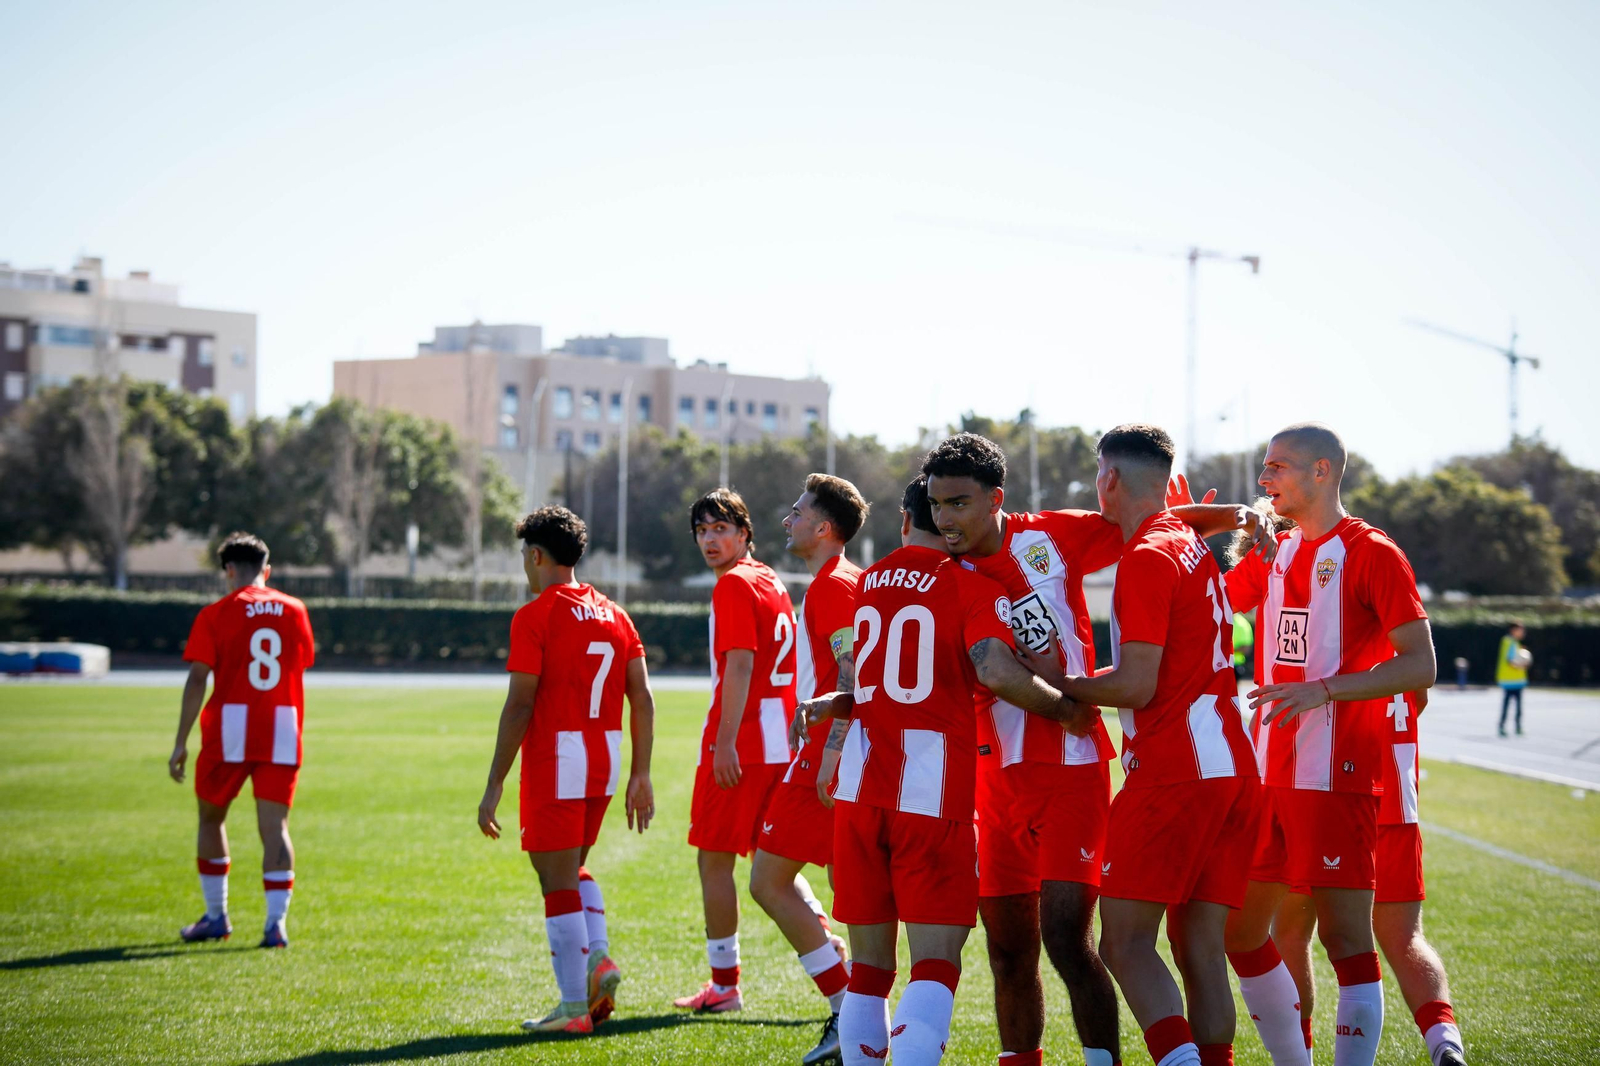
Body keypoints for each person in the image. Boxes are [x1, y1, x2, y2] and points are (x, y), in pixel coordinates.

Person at [922, 432, 1271, 1066]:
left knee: (1071, 939)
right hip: (994, 776)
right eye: (936, 504)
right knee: (1008, 950)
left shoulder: (1053, 536)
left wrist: (1228, 516)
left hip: (1074, 766)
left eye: (959, 503)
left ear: (996, 499)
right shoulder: (944, 572)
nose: (945, 518)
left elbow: (1145, 520)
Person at [793, 475, 1099, 1066]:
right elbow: (996, 670)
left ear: (906, 522)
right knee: (933, 964)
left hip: (861, 788)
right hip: (930, 795)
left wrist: (835, 710)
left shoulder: (868, 581)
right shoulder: (969, 584)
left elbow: (871, 675)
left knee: (870, 970)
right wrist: (1068, 711)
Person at [1037, 425, 1259, 1066]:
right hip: (1232, 761)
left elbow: (1136, 684)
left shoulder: (1146, 556)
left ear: (1108, 479)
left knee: (1125, 941)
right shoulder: (1185, 541)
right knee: (1199, 948)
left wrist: (1054, 679)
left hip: (1175, 768)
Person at [1218, 422, 1437, 1066]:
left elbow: (1420, 664)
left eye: (1278, 466)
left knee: (1346, 941)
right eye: (1264, 466)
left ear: (1323, 471)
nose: (1265, 478)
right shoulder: (1277, 549)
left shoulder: (1372, 551)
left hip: (1336, 772)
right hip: (1269, 769)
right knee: (1240, 931)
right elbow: (1212, 602)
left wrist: (1325, 690)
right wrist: (1191, 527)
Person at [477, 505, 656, 1034]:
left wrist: (494, 783)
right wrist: (641, 773)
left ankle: (575, 1005)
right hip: (604, 758)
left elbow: (519, 706)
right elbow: (642, 697)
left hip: (558, 760)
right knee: (572, 869)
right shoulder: (615, 614)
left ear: (536, 556)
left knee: (555, 882)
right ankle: (596, 961)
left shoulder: (534, 616)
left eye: (524, 556)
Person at [1269, 687, 1468, 1066]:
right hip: (1397, 798)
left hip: (1333, 788)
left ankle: (1297, 1057)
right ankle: (1445, 1041)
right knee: (1406, 937)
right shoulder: (1408, 654)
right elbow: (1419, 697)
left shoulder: (1342, 649)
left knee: (1292, 931)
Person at [749, 474, 869, 1064]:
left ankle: (849, 1009)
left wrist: (831, 751)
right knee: (834, 886)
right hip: (834, 748)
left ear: (824, 528)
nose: (787, 521)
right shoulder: (842, 580)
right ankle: (857, 1013)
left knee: (768, 881)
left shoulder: (833, 585)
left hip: (828, 751)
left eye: (797, 512)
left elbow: (852, 671)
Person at [674, 488, 799, 1013]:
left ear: (744, 533)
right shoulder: (770, 578)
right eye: (702, 531)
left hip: (743, 742)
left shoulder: (733, 584)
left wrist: (724, 742)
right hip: (777, 740)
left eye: (720, 528)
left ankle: (725, 985)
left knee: (714, 860)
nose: (710, 539)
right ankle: (826, 939)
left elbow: (741, 665)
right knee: (776, 862)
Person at [169, 532, 315, 949]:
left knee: (211, 819)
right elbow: (301, 661)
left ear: (229, 571)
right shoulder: (295, 609)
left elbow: (197, 679)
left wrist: (180, 741)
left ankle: (216, 916)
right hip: (281, 726)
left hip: (229, 727)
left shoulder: (215, 613)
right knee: (276, 826)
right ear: (267, 571)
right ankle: (275, 925)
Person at [1496, 622, 1529, 736]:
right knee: (1515, 706)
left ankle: (1503, 726)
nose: (1523, 633)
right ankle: (1515, 727)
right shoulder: (1511, 642)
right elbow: (1511, 661)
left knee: (1508, 705)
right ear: (1513, 630)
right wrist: (1523, 664)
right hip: (1513, 680)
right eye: (1521, 630)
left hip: (1510, 680)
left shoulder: (1509, 642)